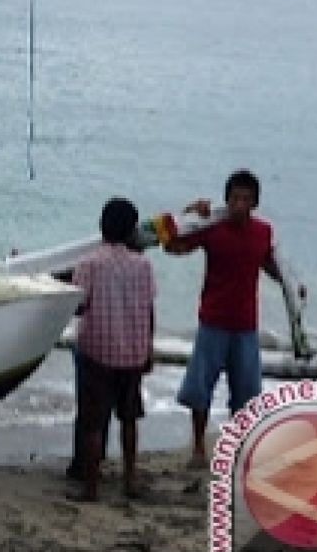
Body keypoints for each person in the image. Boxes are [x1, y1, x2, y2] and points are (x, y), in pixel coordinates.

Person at [166, 169, 305, 467]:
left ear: (255, 203)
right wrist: (189, 213)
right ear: (226, 200)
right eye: (235, 198)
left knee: (246, 393)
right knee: (199, 389)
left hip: (245, 325)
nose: (240, 204)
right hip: (213, 321)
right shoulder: (212, 227)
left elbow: (269, 264)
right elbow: (173, 246)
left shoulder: (263, 232)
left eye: (246, 199)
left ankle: (238, 448)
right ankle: (199, 448)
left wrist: (291, 285)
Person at [68, 198, 155, 502]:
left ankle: (91, 486)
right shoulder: (143, 265)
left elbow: (78, 305)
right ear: (132, 230)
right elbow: (148, 309)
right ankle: (130, 479)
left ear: (101, 226)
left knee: (93, 423)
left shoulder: (89, 263)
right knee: (129, 419)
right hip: (132, 354)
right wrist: (148, 350)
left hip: (97, 353)